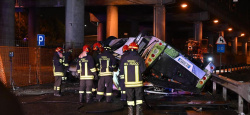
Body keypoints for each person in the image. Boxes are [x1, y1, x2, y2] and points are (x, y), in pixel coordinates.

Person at [119, 42, 146, 115]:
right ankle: (138, 112)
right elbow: (143, 69)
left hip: (128, 83)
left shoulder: (124, 59)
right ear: (136, 49)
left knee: (130, 98)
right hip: (138, 83)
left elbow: (121, 69)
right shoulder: (139, 58)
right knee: (139, 98)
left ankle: (130, 112)